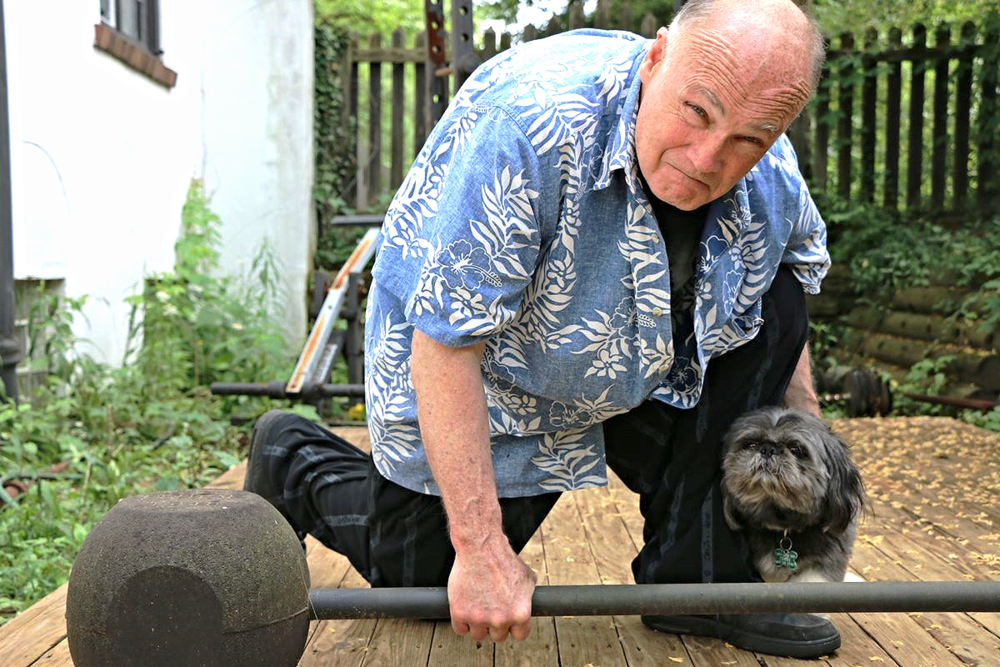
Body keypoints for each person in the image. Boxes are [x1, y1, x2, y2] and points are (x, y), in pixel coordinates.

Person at [245, 0, 839, 659]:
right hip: (507, 367)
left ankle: (698, 582)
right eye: (696, 113)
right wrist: (477, 548)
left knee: (777, 294)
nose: (707, 157)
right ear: (656, 59)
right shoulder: (527, 128)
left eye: (749, 139)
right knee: (421, 572)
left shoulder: (770, 172)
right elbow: (445, 342)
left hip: (641, 359)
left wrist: (810, 475)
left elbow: (782, 304)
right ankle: (292, 456)